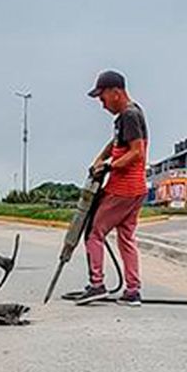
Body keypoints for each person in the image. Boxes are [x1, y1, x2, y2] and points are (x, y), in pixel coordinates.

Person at [65, 69, 147, 306]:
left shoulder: (129, 115)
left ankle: (97, 284)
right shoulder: (129, 115)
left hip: (122, 188)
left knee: (93, 233)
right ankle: (133, 290)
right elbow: (115, 143)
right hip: (137, 189)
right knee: (126, 238)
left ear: (116, 92)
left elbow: (136, 152)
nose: (102, 104)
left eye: (103, 98)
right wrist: (99, 159)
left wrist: (109, 167)